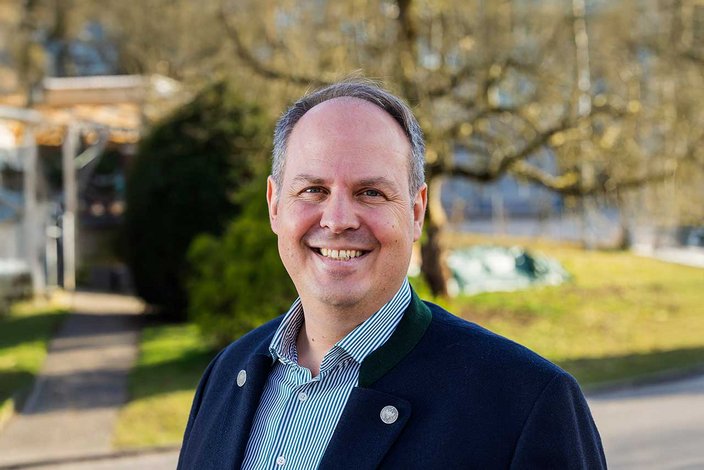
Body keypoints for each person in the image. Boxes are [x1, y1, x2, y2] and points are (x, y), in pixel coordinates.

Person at [177, 80, 607, 469]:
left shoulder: (526, 403)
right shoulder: (225, 376)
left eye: (370, 192)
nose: (338, 220)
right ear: (274, 205)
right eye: (313, 190)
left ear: (416, 212)